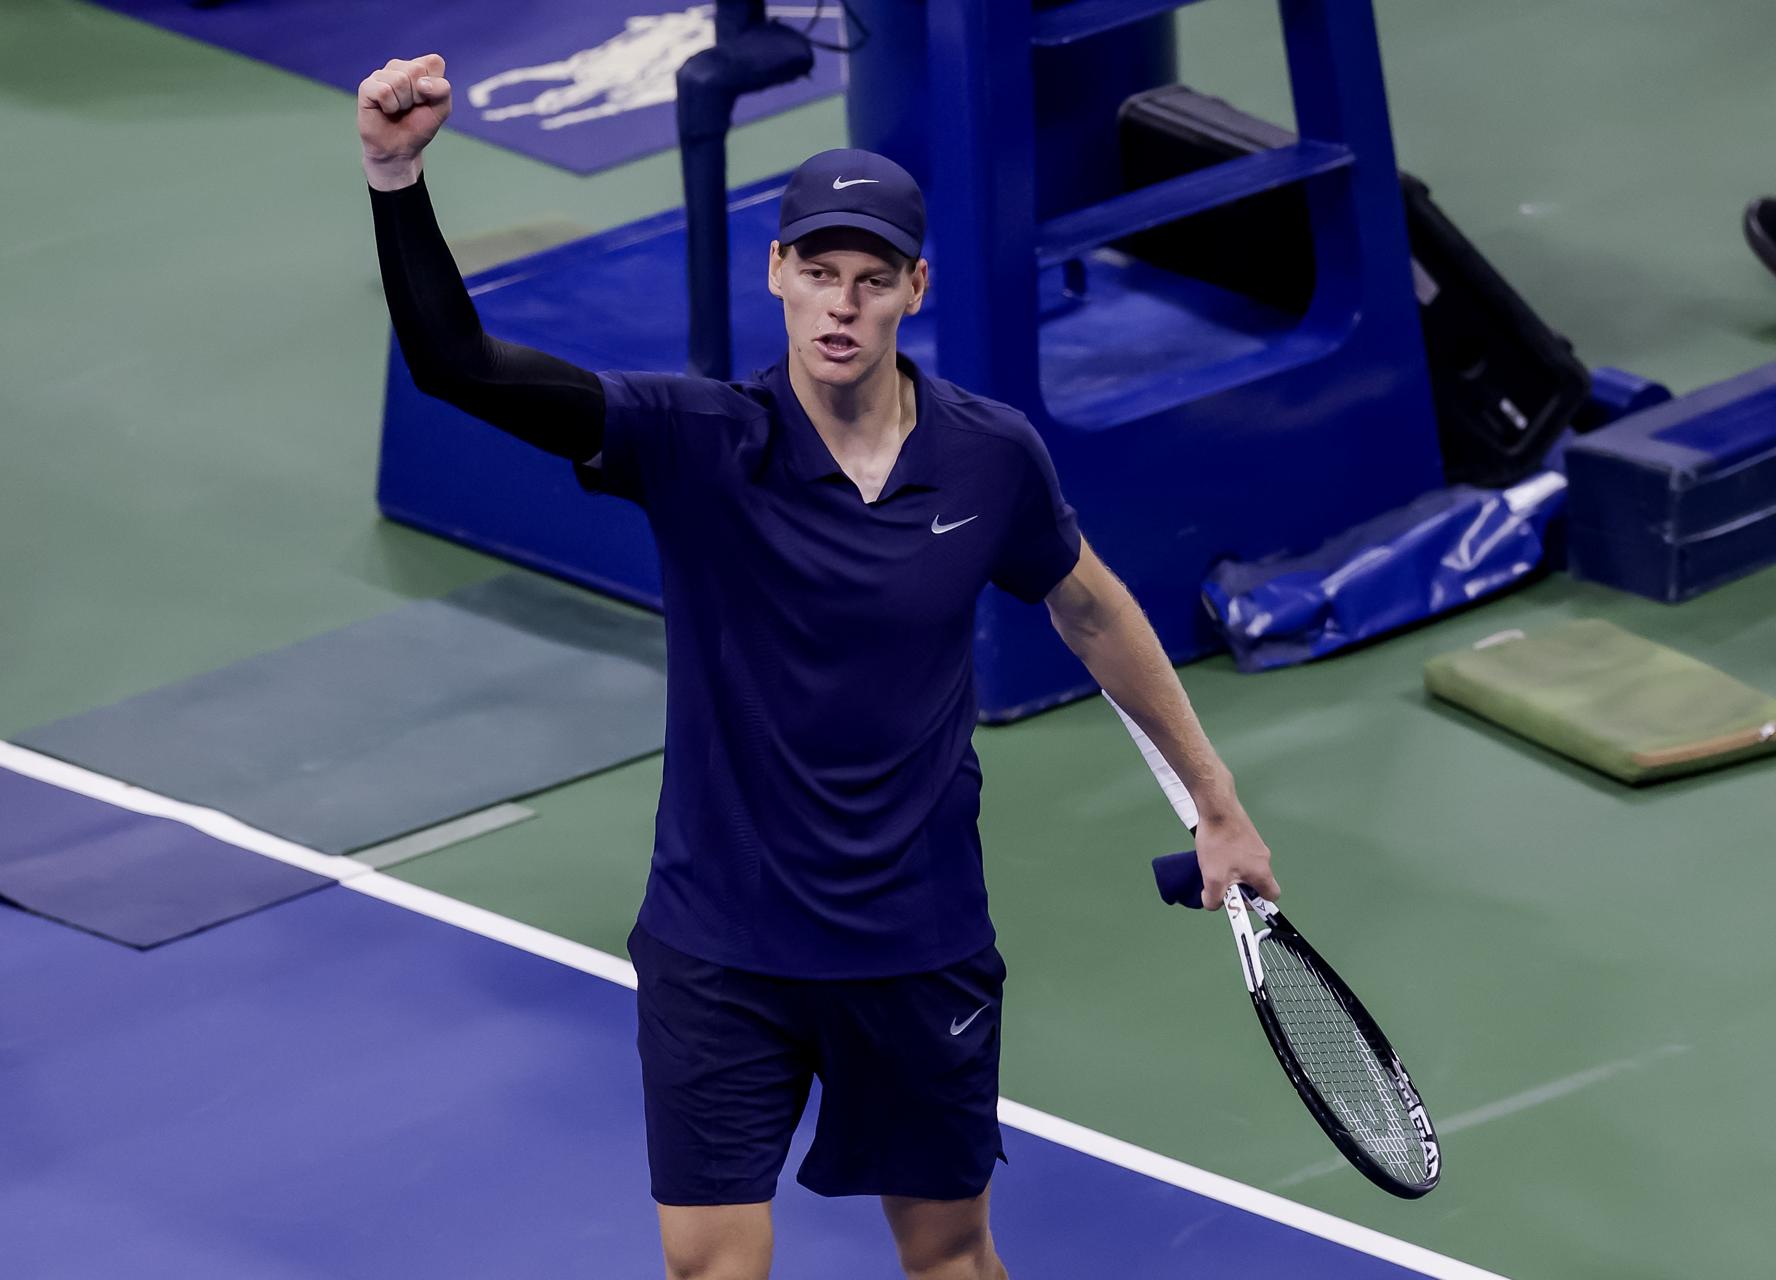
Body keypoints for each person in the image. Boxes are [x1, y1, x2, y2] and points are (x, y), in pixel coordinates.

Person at [359, 53, 1278, 1280]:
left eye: (871, 278)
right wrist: (395, 170)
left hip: (916, 941)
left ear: (915, 288)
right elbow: (456, 363)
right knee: (712, 1265)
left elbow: (1094, 607)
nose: (841, 305)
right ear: (778, 272)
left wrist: (1217, 804)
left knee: (949, 1253)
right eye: (819, 272)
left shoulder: (989, 459)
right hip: (720, 945)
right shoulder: (692, 442)